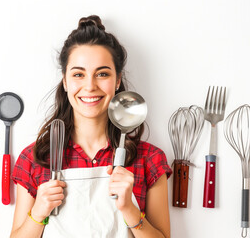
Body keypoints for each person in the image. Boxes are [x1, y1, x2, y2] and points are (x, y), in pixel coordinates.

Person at [10, 15, 172, 238]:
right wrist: (38, 212)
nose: (90, 86)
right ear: (65, 81)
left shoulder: (150, 159)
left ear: (117, 81)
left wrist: (130, 210)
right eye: (78, 74)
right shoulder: (34, 159)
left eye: (102, 74)